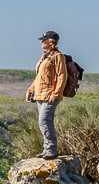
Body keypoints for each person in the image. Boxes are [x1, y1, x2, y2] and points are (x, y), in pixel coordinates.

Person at [26, 30, 68, 159]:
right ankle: (46, 149)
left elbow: (62, 76)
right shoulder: (45, 56)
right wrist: (31, 90)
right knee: (44, 122)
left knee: (44, 120)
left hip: (50, 94)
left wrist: (56, 93)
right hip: (40, 94)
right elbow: (39, 76)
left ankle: (51, 149)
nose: (41, 42)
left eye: (44, 40)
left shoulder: (57, 56)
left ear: (51, 41)